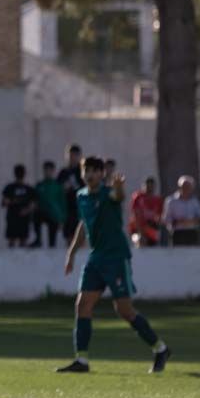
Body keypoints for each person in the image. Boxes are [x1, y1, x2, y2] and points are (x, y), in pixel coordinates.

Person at [57, 156, 170, 375]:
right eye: (86, 170)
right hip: (95, 258)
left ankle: (160, 349)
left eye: (94, 170)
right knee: (82, 306)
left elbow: (118, 196)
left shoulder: (107, 193)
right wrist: (71, 253)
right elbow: (83, 225)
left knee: (124, 310)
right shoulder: (81, 197)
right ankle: (82, 359)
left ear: (101, 174)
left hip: (116, 258)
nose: (89, 174)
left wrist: (119, 189)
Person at [30, 161, 65, 248]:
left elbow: (62, 203)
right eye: (46, 170)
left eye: (50, 170)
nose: (48, 172)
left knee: (52, 238)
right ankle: (38, 239)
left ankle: (52, 247)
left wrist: (62, 219)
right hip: (42, 212)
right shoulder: (39, 185)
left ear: (53, 171)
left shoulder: (57, 186)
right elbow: (35, 200)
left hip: (54, 215)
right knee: (36, 215)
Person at [1, 164, 36, 248]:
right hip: (12, 218)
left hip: (24, 219)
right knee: (11, 241)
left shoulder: (29, 189)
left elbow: (34, 204)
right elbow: (4, 202)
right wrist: (14, 201)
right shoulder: (9, 188)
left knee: (23, 242)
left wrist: (26, 210)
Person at [162, 176, 200, 247]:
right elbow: (166, 219)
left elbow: (199, 217)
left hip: (191, 233)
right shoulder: (171, 201)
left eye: (188, 187)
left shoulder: (194, 201)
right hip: (177, 233)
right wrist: (178, 222)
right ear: (179, 187)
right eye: (184, 187)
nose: (186, 189)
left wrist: (191, 221)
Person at [56, 143, 84, 240]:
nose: (73, 158)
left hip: (80, 206)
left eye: (75, 155)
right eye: (71, 155)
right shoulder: (63, 172)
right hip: (67, 206)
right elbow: (57, 189)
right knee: (69, 233)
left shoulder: (83, 171)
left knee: (81, 231)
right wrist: (64, 188)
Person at [129, 177, 163, 247]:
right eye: (148, 186)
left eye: (151, 186)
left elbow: (159, 217)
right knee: (140, 243)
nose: (149, 188)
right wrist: (140, 232)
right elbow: (136, 215)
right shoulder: (138, 197)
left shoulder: (158, 200)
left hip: (151, 229)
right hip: (137, 229)